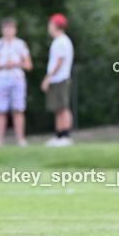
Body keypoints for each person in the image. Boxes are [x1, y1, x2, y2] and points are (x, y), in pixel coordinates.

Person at [0, 17, 33, 147]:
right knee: (1, 111)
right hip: (2, 80)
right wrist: (3, 66)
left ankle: (20, 139)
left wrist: (16, 64)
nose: (8, 31)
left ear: (15, 30)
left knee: (18, 109)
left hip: (17, 79)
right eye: (6, 28)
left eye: (11, 28)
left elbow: (28, 65)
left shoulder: (21, 44)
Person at [41, 13, 74, 146]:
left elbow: (59, 62)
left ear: (55, 25)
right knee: (58, 108)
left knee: (63, 107)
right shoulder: (58, 41)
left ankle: (66, 136)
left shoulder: (62, 41)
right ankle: (59, 135)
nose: (49, 27)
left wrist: (48, 78)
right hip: (57, 79)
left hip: (60, 78)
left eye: (50, 24)